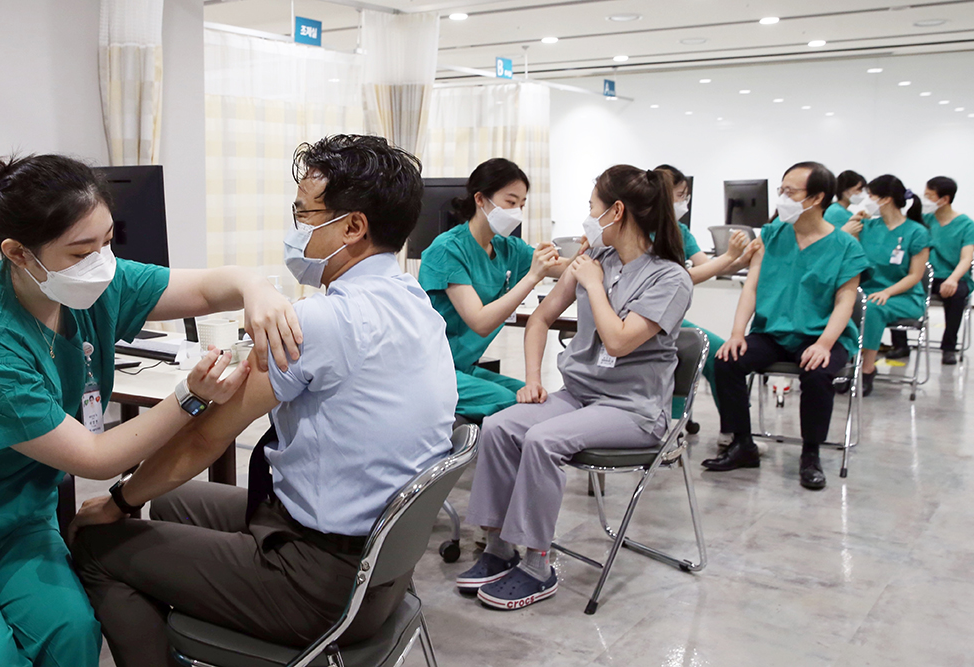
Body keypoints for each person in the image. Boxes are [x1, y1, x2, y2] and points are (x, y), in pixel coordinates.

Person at [69, 135, 458, 667]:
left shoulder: (322, 322)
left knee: (98, 543)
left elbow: (206, 437)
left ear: (353, 227)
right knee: (173, 501)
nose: (296, 229)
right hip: (380, 570)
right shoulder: (414, 300)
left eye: (304, 214)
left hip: (318, 583)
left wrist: (116, 501)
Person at [0, 153, 302, 667]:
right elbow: (97, 457)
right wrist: (190, 397)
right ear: (18, 253)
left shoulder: (97, 288)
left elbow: (207, 288)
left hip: (20, 515)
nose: (102, 263)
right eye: (81, 251)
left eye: (108, 241)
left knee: (73, 633)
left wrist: (255, 288)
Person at [456, 165, 692, 610]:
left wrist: (593, 285)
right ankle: (499, 548)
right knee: (501, 426)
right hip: (580, 396)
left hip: (634, 410)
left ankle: (537, 565)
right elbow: (540, 318)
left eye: (591, 207)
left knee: (543, 439)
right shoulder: (594, 261)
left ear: (615, 212)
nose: (587, 217)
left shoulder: (669, 278)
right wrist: (532, 380)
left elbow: (618, 341)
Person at [703, 162, 869, 490]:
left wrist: (824, 344)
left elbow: (845, 302)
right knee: (726, 360)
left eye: (790, 192)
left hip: (822, 335)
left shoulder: (846, 246)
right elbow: (752, 286)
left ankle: (810, 454)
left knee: (817, 372)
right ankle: (743, 444)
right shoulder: (773, 234)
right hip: (774, 333)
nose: (782, 198)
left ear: (817, 198)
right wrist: (737, 333)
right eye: (781, 190)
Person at [418, 158, 567, 421]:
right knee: (517, 406)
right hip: (430, 371)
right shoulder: (447, 250)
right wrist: (532, 277)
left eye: (521, 205)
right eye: (510, 202)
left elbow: (565, 267)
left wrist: (593, 252)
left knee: (543, 403)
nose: (516, 212)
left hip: (463, 368)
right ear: (480, 199)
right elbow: (480, 322)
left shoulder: (509, 248)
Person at [655, 164, 752, 445]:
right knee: (702, 349)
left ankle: (733, 430)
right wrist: (730, 258)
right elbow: (681, 278)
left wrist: (740, 258)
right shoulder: (641, 232)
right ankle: (672, 426)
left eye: (686, 196)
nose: (684, 203)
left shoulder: (680, 231)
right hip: (650, 318)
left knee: (720, 353)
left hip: (670, 318)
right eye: (679, 195)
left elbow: (706, 267)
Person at [844, 175, 929, 395]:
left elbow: (915, 275)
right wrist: (849, 226)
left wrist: (887, 292)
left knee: (871, 308)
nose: (867, 200)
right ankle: (846, 365)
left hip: (904, 297)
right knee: (842, 303)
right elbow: (847, 255)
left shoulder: (917, 232)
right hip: (868, 292)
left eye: (871, 195)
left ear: (885, 199)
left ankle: (866, 369)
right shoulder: (867, 227)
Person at [922, 176, 974, 365]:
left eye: (929, 196)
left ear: (944, 199)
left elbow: (966, 258)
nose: (925, 200)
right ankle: (900, 344)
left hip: (953, 276)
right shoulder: (924, 221)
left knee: (957, 293)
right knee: (900, 289)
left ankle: (949, 347)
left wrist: (952, 279)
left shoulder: (966, 225)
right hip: (926, 277)